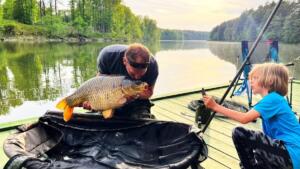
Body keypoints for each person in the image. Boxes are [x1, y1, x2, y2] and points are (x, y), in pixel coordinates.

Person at [203, 63, 300, 169]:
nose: (250, 81)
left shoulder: (273, 99)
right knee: (256, 149)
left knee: (239, 133)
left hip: (290, 155)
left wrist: (215, 106)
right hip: (288, 157)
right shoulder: (274, 100)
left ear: (270, 80)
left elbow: (244, 118)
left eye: (255, 78)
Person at [84, 43, 159, 119]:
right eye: (133, 74)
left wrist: (134, 94)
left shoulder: (152, 66)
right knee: (101, 119)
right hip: (108, 98)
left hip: (138, 102)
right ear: (124, 61)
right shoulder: (108, 55)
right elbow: (98, 83)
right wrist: (94, 101)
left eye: (141, 75)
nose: (137, 78)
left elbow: (149, 93)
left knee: (142, 121)